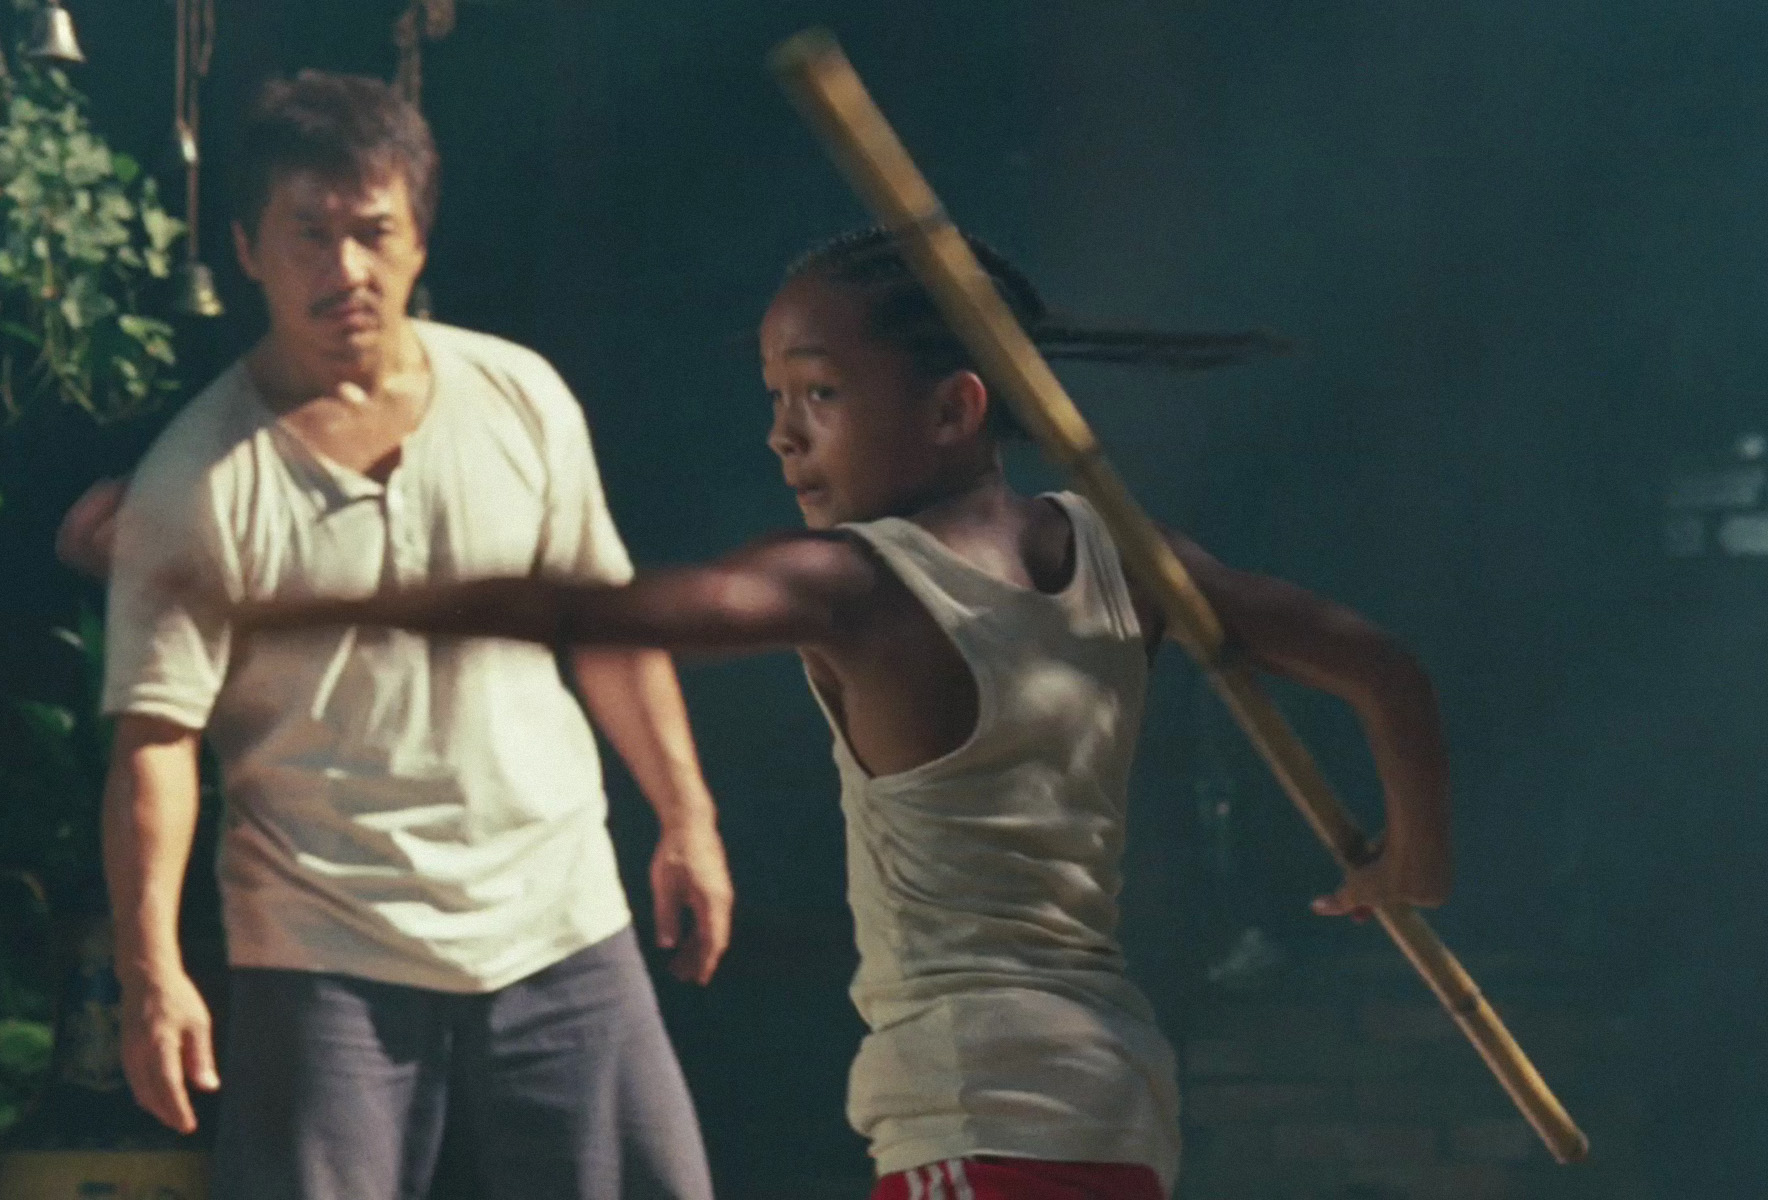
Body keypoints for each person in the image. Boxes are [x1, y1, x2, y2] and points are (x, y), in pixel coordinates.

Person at [229, 227, 1454, 1200]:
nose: (781, 433)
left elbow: (605, 610)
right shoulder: (1125, 559)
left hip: (978, 1109)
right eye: (776, 393)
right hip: (1115, 1098)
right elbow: (1384, 667)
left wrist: (319, 593)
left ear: (953, 410)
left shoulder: (864, 585)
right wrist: (1416, 861)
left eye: (819, 392)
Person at [91, 71, 727, 1200]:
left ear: (419, 239)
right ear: (246, 249)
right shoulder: (195, 479)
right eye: (309, 233)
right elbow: (157, 740)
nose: (345, 268)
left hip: (555, 916)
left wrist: (687, 816)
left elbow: (607, 630)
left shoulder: (520, 396)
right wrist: (155, 973)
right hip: (324, 945)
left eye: (374, 231)